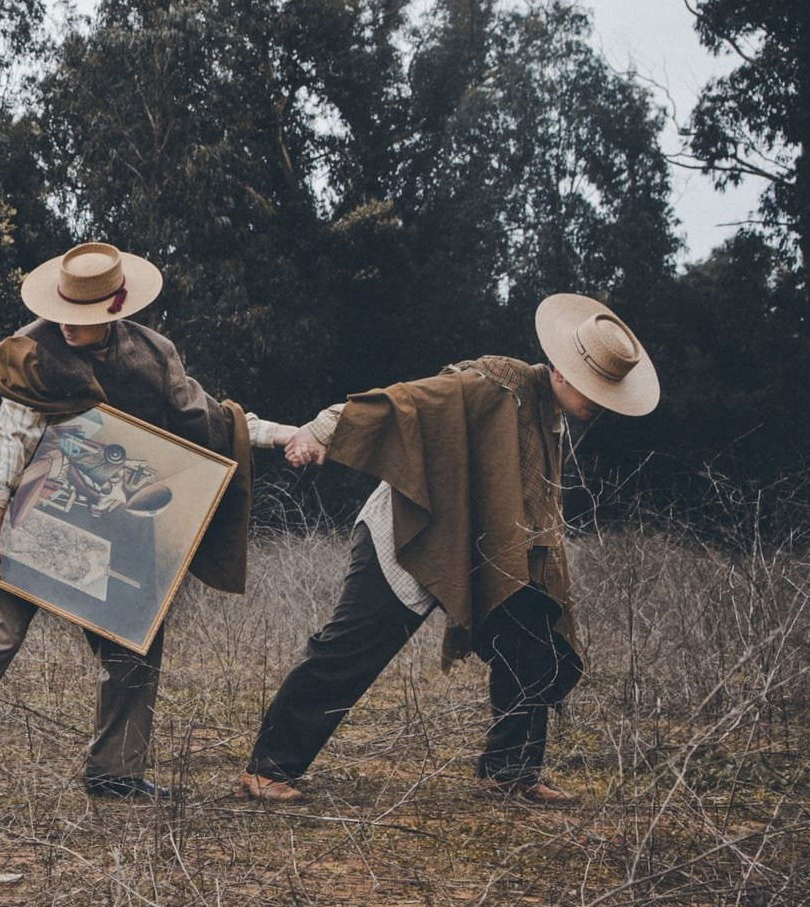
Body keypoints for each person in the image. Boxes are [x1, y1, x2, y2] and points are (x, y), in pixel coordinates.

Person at [0, 242, 275, 803]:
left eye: (80, 320)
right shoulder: (33, 349)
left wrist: (277, 434)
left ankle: (115, 771)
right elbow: (9, 443)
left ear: (115, 309)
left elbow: (205, 421)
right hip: (23, 516)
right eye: (62, 314)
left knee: (133, 643)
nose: (66, 327)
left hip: (109, 529)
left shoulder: (156, 354)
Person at [237, 293, 659, 805]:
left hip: (483, 548)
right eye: (594, 387)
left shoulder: (553, 417)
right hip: (416, 529)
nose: (600, 403)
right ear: (563, 371)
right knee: (352, 646)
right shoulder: (494, 383)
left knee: (531, 639)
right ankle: (269, 768)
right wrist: (324, 429)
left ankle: (511, 770)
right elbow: (408, 402)